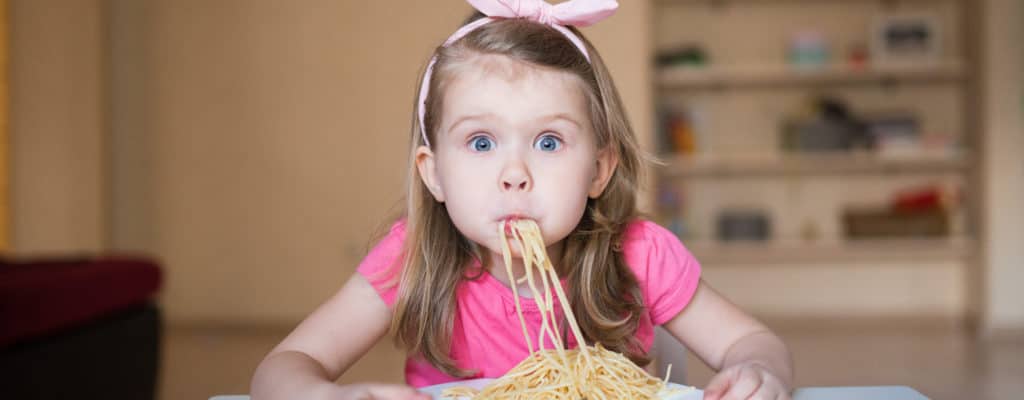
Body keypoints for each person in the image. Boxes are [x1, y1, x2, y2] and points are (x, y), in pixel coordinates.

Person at [251, 1, 793, 399]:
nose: (514, 174)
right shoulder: (412, 254)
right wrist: (327, 396)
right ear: (434, 173)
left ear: (599, 169)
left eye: (549, 142)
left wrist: (760, 372)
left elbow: (752, 341)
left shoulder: (639, 253)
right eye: (481, 142)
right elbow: (283, 368)